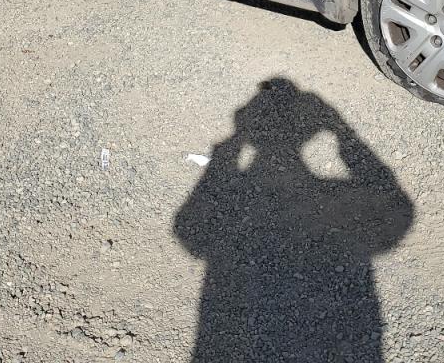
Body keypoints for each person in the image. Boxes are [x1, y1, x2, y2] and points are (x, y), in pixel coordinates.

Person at [175, 78, 414, 362]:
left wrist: (230, 148)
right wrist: (343, 134)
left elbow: (188, 230)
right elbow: (398, 215)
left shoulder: (253, 190)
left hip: (229, 327)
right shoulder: (335, 196)